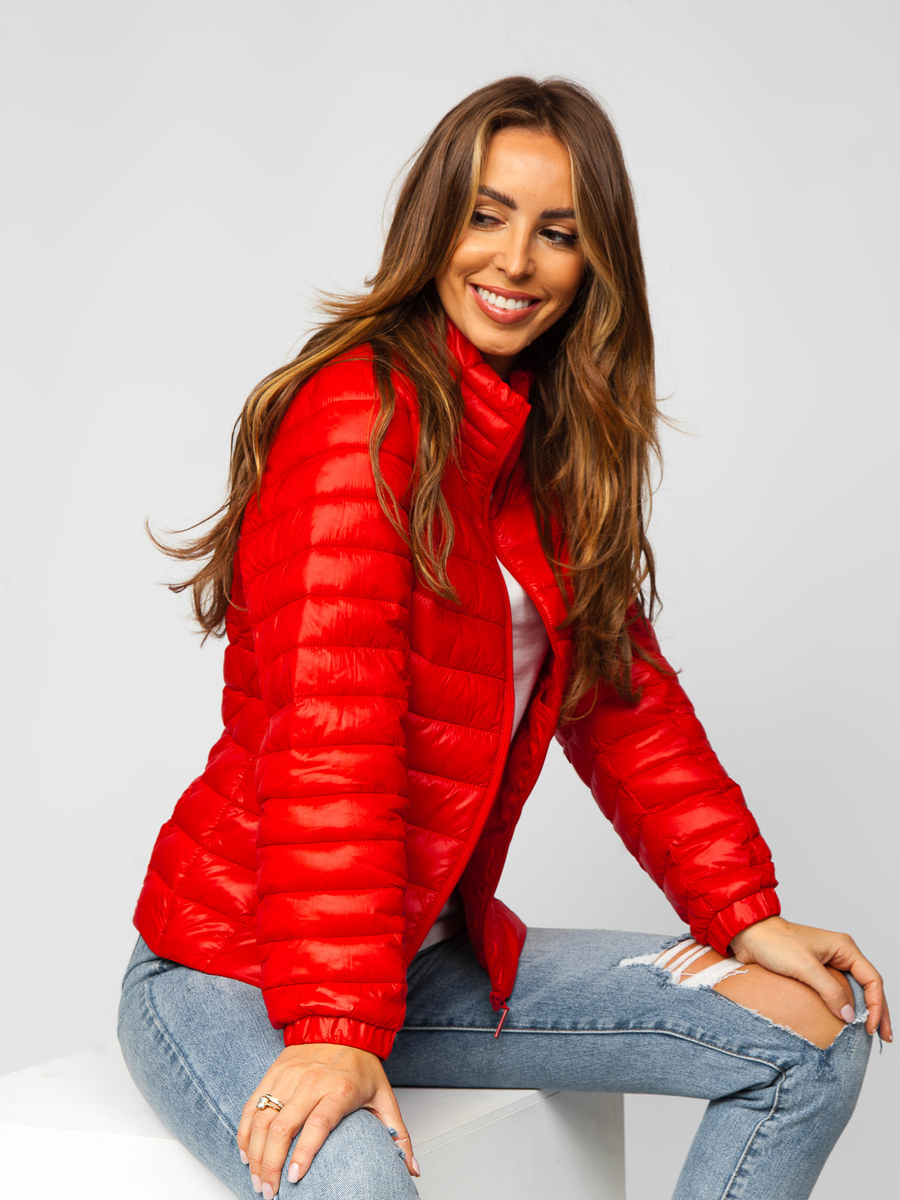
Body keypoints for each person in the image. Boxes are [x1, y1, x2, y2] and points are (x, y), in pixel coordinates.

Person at [117, 75, 889, 1200]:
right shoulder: (359, 416)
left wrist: (745, 915)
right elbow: (332, 742)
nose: (515, 261)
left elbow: (625, 706)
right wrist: (333, 1025)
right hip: (229, 968)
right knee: (357, 1186)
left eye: (558, 232)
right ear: (435, 223)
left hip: (417, 968)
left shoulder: (544, 448)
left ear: (594, 262)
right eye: (487, 215)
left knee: (813, 1033)